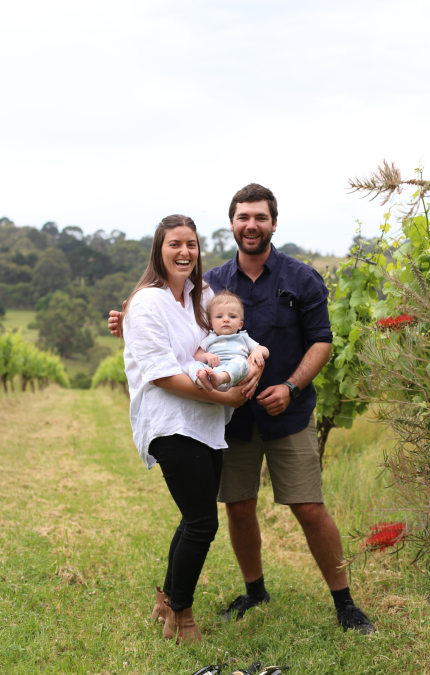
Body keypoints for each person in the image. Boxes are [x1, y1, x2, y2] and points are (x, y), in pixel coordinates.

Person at [109, 185, 376, 635]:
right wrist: (125, 322)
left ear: (274, 222)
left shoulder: (301, 277)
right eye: (242, 217)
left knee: (309, 507)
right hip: (227, 420)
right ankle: (254, 591)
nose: (251, 225)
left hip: (287, 411)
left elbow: (323, 340)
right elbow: (172, 331)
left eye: (260, 217)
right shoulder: (210, 283)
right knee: (236, 507)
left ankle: (344, 602)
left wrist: (291, 386)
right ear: (231, 223)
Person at [121, 214, 257, 645]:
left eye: (191, 245)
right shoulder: (147, 303)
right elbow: (161, 375)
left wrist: (251, 366)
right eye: (175, 244)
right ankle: (182, 616)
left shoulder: (203, 296)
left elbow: (230, 335)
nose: (184, 252)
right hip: (170, 420)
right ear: (159, 251)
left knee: (193, 517)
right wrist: (226, 397)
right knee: (202, 522)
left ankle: (167, 597)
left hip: (205, 422)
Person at [189, 290, 269, 393]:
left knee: (242, 362)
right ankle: (203, 382)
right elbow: (196, 357)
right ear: (211, 324)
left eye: (232, 316)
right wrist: (207, 356)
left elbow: (265, 350)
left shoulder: (243, 337)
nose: (226, 319)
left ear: (240, 325)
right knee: (192, 365)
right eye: (219, 316)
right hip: (212, 372)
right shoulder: (209, 339)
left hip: (233, 377)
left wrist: (257, 351)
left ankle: (220, 379)